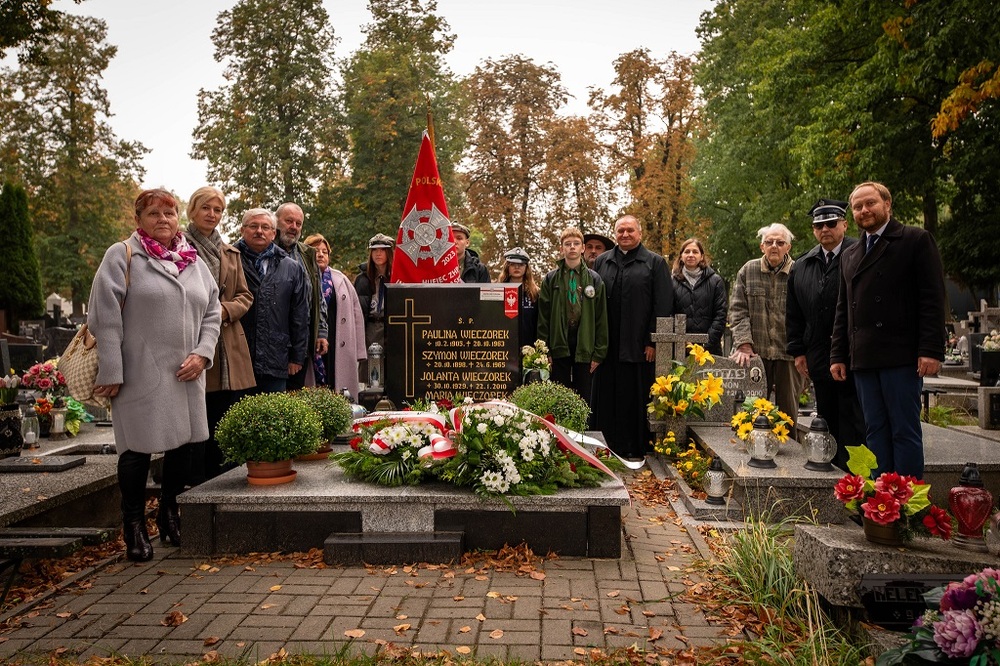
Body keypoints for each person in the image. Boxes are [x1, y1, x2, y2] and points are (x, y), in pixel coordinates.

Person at [89, 189, 220, 561]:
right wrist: (112, 369)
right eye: (154, 214)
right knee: (136, 450)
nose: (163, 219)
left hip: (186, 372)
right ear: (138, 219)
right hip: (139, 371)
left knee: (181, 446)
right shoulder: (123, 255)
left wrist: (203, 353)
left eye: (170, 213)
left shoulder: (192, 261)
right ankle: (132, 524)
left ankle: (168, 513)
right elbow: (104, 316)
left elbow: (212, 311)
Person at [831, 182, 946, 478]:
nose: (864, 210)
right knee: (875, 431)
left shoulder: (915, 240)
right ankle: (881, 504)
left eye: (870, 203)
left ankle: (907, 506)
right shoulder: (850, 254)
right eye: (857, 207)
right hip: (865, 358)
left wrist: (931, 349)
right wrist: (838, 355)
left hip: (902, 356)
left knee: (904, 431)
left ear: (887, 205)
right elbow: (844, 309)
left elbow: (932, 299)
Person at [183, 186, 256, 483]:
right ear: (192, 210)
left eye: (218, 210)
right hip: (194, 340)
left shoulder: (230, 252)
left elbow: (245, 296)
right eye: (206, 208)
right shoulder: (180, 247)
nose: (212, 215)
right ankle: (195, 484)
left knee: (223, 415)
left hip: (227, 345)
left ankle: (221, 481)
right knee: (196, 420)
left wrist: (224, 311)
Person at [787, 199, 865, 469]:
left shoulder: (862, 253)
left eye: (831, 223)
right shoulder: (802, 264)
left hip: (855, 352)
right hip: (818, 352)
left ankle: (856, 474)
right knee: (827, 415)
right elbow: (794, 312)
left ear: (844, 224)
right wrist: (798, 351)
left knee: (855, 417)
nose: (825, 230)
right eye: (819, 225)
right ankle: (830, 469)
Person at [592, 215, 672, 459]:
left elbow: (663, 303)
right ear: (614, 233)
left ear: (639, 233)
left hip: (638, 345)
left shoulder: (654, 263)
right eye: (620, 231)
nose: (625, 235)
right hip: (608, 345)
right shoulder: (602, 262)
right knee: (607, 398)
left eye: (630, 230)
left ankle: (634, 447)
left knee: (634, 397)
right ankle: (607, 446)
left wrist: (652, 341)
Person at [729, 223, 799, 432]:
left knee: (788, 416)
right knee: (751, 412)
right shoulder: (748, 270)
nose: (774, 246)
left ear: (788, 247)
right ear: (762, 247)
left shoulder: (799, 271)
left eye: (780, 242)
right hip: (756, 353)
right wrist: (744, 344)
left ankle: (790, 459)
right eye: (769, 242)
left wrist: (802, 349)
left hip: (789, 353)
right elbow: (737, 310)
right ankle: (748, 456)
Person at [235, 208, 310, 394]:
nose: (259, 231)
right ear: (242, 230)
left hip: (276, 359)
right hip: (237, 359)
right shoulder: (230, 260)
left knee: (273, 419)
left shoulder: (291, 267)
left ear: (273, 233)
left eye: (265, 227)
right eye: (253, 226)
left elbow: (300, 315)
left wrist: (297, 357)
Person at [537, 227, 608, 406]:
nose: (572, 247)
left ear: (583, 248)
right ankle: (559, 431)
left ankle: (581, 432)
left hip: (584, 343)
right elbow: (543, 317)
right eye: (567, 244)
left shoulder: (594, 279)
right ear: (561, 249)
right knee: (559, 396)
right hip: (558, 343)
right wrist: (545, 351)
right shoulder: (550, 279)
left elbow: (601, 317)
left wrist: (599, 352)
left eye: (576, 244)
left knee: (584, 396)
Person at [305, 233, 366, 397]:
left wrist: (360, 351)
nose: (320, 254)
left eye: (324, 251)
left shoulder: (341, 279)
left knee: (338, 385)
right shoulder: (301, 275)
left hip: (339, 342)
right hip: (311, 341)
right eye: (315, 250)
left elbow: (357, 315)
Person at [275, 202, 328, 389]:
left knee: (295, 395)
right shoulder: (266, 251)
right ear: (276, 221)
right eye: (289, 221)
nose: (294, 227)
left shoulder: (308, 255)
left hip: (301, 340)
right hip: (272, 342)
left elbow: (318, 297)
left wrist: (321, 331)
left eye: (298, 223)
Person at [671, 237, 727, 355]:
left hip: (710, 349)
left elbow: (720, 315)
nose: (691, 255)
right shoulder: (671, 282)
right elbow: (668, 313)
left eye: (695, 252)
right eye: (687, 251)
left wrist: (706, 345)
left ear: (701, 256)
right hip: (680, 348)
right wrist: (685, 343)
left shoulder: (715, 281)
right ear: (681, 256)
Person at [355, 233, 394, 385]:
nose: (378, 253)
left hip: (391, 326)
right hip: (370, 325)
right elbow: (357, 310)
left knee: (391, 365)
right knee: (368, 368)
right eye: (374, 250)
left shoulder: (397, 276)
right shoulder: (362, 278)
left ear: (389, 253)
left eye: (382, 250)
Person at [498, 247, 540, 346]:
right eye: (512, 264)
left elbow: (538, 322)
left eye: (521, 264)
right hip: (504, 346)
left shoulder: (535, 293)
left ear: (526, 268)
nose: (517, 267)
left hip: (529, 346)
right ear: (507, 267)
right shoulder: (498, 291)